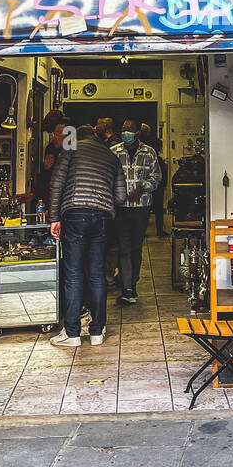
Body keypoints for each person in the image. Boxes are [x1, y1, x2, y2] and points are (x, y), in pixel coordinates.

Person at [49, 124, 125, 347]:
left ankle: (72, 333)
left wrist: (54, 218)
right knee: (97, 273)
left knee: (73, 273)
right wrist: (103, 199)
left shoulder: (69, 151)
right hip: (102, 217)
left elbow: (56, 185)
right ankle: (97, 332)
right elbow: (120, 196)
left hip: (74, 214)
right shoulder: (111, 156)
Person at [111, 119, 163, 305]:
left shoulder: (149, 152)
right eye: (123, 129)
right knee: (124, 248)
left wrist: (141, 189)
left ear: (137, 133)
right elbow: (108, 177)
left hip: (141, 208)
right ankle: (127, 289)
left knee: (136, 248)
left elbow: (156, 177)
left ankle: (133, 281)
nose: (125, 132)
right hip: (121, 209)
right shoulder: (114, 151)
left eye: (129, 130)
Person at [36, 108, 68, 206]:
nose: (53, 137)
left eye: (57, 134)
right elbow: (46, 176)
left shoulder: (71, 151)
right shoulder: (51, 148)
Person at [141, 123, 168, 237]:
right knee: (158, 208)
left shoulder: (140, 145)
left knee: (145, 208)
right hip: (156, 182)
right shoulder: (155, 143)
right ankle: (160, 231)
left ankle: (142, 231)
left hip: (145, 180)